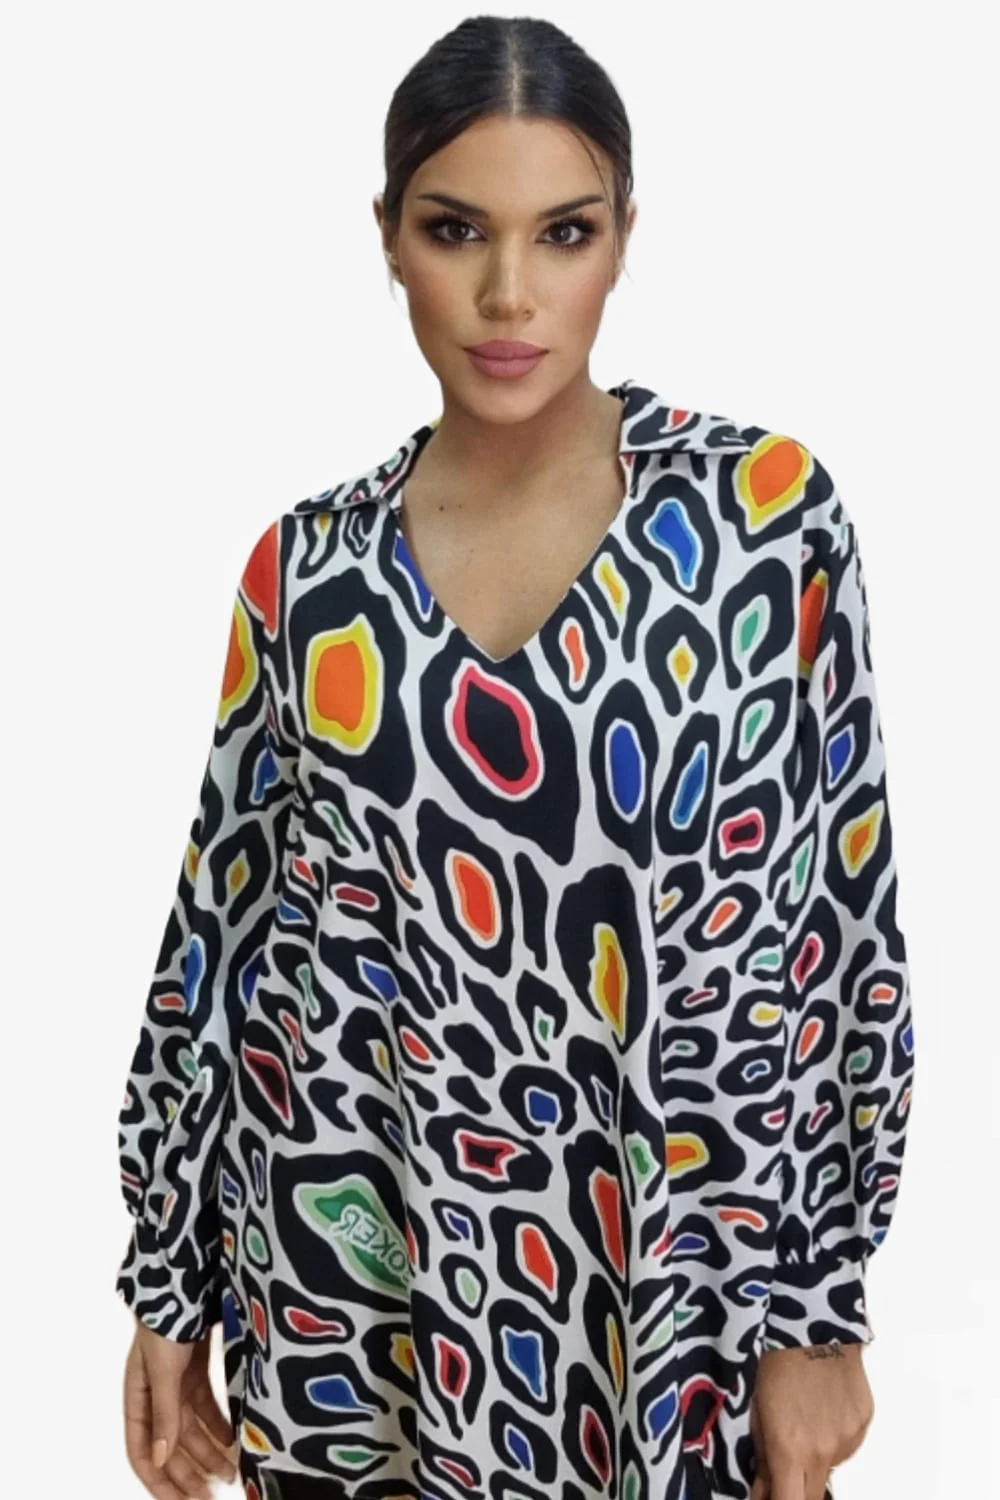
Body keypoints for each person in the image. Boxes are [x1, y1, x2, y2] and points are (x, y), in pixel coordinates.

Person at [114, 16, 915, 1500]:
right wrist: (168, 1277)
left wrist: (817, 1310)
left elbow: (836, 927)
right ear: (386, 237)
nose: (506, 294)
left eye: (562, 232)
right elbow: (221, 938)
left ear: (624, 238)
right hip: (345, 1297)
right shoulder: (308, 578)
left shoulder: (760, 523)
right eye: (454, 229)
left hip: (666, 1304)